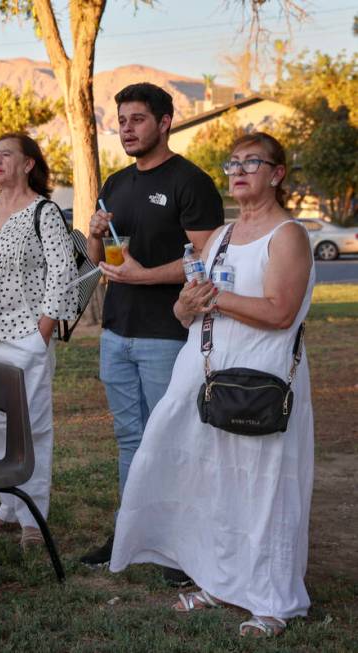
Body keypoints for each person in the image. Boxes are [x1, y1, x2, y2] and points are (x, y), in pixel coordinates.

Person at [110, 132, 314, 638]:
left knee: (264, 488)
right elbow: (186, 310)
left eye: (252, 162)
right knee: (216, 483)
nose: (239, 170)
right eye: (233, 163)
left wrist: (215, 297)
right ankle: (220, 581)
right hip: (206, 372)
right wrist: (187, 304)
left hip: (261, 379)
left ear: (277, 174)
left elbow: (280, 311)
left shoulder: (287, 234)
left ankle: (272, 599)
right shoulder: (220, 235)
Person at [80, 83, 224, 576]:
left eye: (138, 119)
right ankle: (131, 532)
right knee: (129, 438)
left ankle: (179, 546)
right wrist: (96, 237)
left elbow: (207, 261)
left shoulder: (191, 182)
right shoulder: (115, 183)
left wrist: (144, 275)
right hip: (117, 332)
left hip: (169, 333)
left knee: (172, 437)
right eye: (121, 120)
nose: (126, 128)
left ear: (165, 122)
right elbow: (96, 263)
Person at [0, 132, 78, 548]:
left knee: (32, 424)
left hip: (26, 334)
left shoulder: (44, 212)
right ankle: (6, 508)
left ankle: (33, 517)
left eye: (6, 154)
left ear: (27, 164)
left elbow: (62, 271)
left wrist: (43, 329)